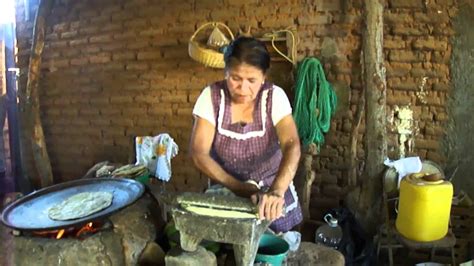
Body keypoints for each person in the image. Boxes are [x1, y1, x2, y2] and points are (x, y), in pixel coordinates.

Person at [189, 36, 302, 233]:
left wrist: (276, 191)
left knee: (274, 246)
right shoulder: (212, 97)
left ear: (264, 76)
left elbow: (291, 144)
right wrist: (238, 187)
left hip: (272, 188)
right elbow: (199, 153)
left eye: (252, 80)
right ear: (225, 72)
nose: (243, 88)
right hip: (226, 187)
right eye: (235, 78)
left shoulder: (274, 97)